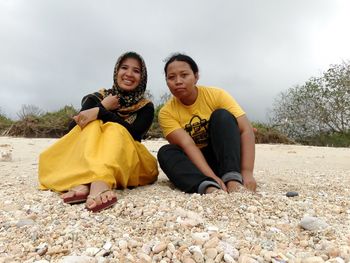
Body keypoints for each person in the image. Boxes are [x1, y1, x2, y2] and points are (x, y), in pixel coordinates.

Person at [39, 51, 158, 212]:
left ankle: (97, 181)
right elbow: (73, 129)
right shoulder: (97, 98)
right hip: (90, 155)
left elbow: (135, 134)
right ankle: (91, 181)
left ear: (142, 77)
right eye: (124, 68)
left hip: (126, 158)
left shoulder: (146, 106)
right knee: (92, 126)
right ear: (116, 71)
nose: (129, 74)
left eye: (136, 71)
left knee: (115, 129)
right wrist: (102, 107)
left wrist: (100, 113)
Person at [157, 53, 256, 194]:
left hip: (223, 157)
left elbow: (246, 129)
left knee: (222, 116)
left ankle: (233, 179)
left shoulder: (216, 95)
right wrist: (212, 177)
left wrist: (247, 172)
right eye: (171, 77)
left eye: (184, 75)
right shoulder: (166, 112)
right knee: (166, 152)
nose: (178, 81)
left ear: (196, 76)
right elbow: (187, 144)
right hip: (197, 164)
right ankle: (208, 187)